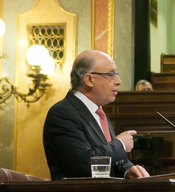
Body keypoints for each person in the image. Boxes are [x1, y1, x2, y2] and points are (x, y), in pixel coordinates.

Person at [43, 50, 150, 180]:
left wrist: (126, 170)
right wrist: (120, 145)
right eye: (111, 74)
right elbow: (85, 164)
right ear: (89, 79)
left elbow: (107, 160)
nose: (118, 81)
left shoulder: (99, 114)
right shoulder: (62, 113)